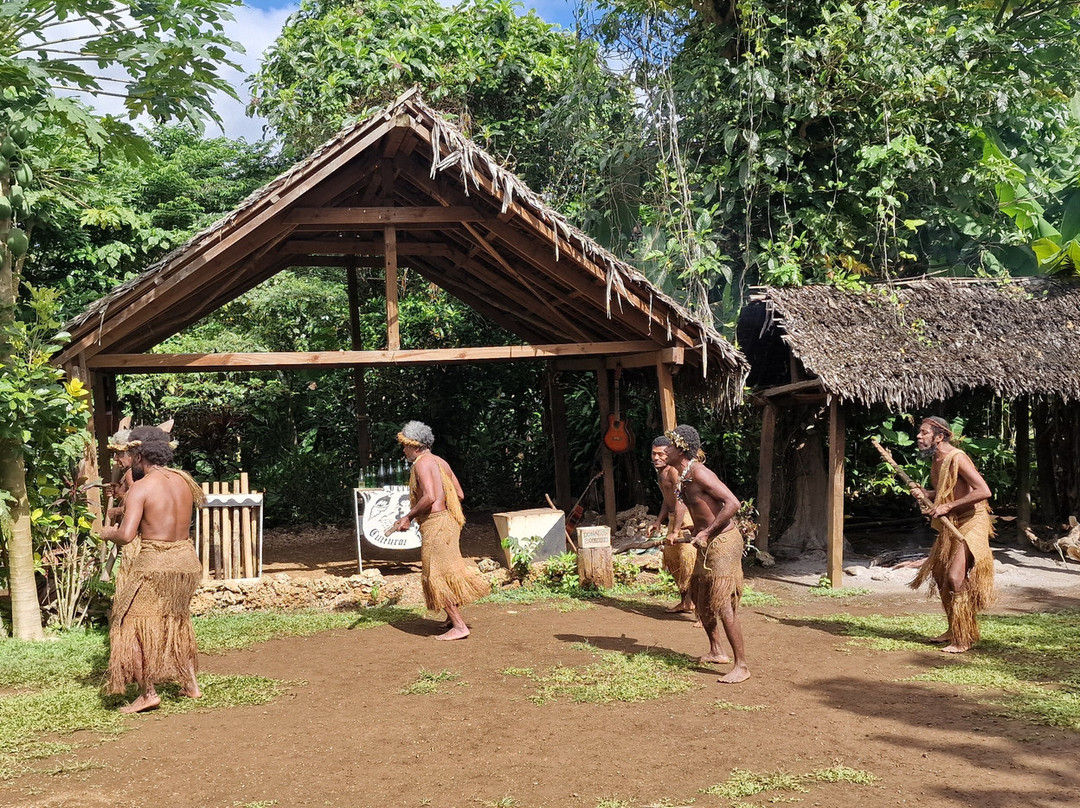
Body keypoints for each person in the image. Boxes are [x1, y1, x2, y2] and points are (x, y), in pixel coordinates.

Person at [99, 425, 206, 713]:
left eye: (130, 454)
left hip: (155, 563)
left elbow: (126, 535)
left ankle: (148, 693)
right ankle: (191, 684)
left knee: (128, 625)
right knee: (176, 620)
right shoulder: (185, 481)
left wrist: (105, 531)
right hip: (186, 561)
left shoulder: (142, 488)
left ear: (138, 454)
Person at [664, 424, 750, 684]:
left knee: (722, 602)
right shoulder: (683, 475)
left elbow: (733, 503)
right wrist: (688, 532)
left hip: (723, 541)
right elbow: (692, 508)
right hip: (706, 540)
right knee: (701, 598)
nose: (665, 450)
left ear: (680, 448)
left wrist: (708, 531)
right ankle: (717, 651)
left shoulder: (700, 473)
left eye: (669, 445)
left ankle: (742, 666)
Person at [389, 420, 489, 640]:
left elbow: (430, 497)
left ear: (415, 445)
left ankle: (459, 626)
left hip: (436, 524)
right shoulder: (440, 461)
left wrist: (408, 516)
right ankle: (449, 619)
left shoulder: (421, 464)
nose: (404, 450)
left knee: (435, 574)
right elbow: (459, 494)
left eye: (406, 446)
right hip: (449, 522)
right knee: (446, 570)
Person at [909, 416, 994, 653]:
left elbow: (983, 491)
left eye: (924, 433)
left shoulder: (958, 458)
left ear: (939, 436)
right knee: (939, 572)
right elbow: (946, 490)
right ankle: (953, 628)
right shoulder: (936, 459)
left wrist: (946, 507)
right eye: (920, 432)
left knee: (955, 577)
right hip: (953, 522)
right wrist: (926, 492)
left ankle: (963, 637)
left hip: (972, 521)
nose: (919, 436)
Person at [645, 436, 696, 614]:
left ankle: (701, 613)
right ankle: (686, 602)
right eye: (654, 454)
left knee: (689, 563)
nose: (657, 457)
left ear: (669, 454)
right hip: (674, 519)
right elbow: (668, 501)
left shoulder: (674, 472)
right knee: (673, 560)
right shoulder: (661, 474)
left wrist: (676, 530)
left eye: (661, 454)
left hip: (687, 519)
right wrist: (658, 521)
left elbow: (681, 501)